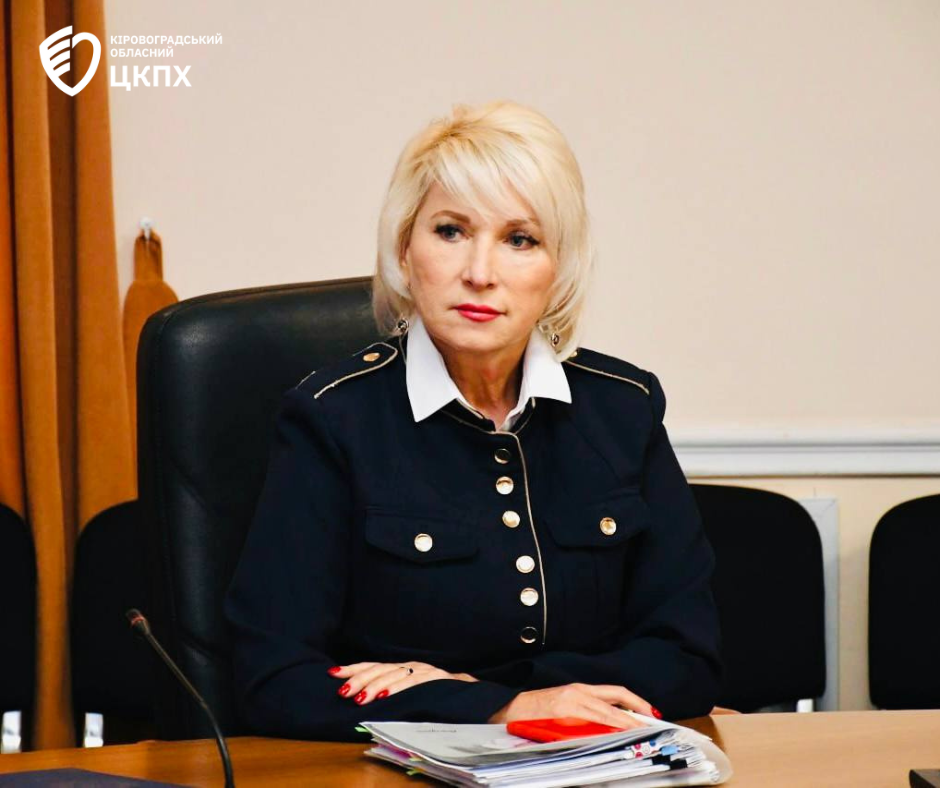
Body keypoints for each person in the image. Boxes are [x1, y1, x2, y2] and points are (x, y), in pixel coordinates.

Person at [223, 100, 721, 742]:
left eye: (520, 239)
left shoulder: (625, 407)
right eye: (451, 231)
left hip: (592, 769)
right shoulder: (331, 418)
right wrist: (496, 708)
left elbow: (688, 657)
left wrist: (490, 694)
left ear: (559, 267)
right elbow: (272, 680)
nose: (480, 274)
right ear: (405, 250)